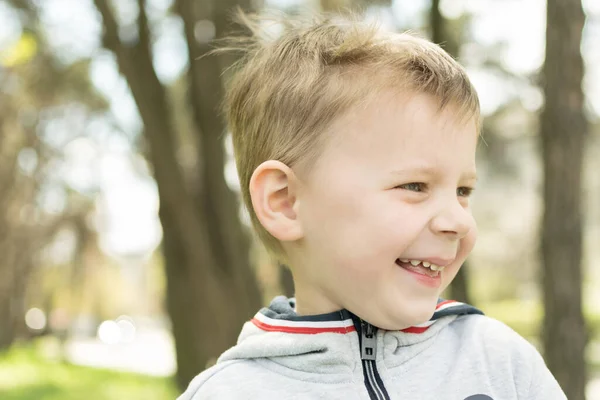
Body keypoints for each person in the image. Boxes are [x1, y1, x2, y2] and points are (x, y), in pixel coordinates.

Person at [178, 10, 566, 400]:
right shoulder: (229, 392)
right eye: (415, 185)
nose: (458, 222)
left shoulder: (500, 363)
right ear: (285, 202)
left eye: (463, 191)